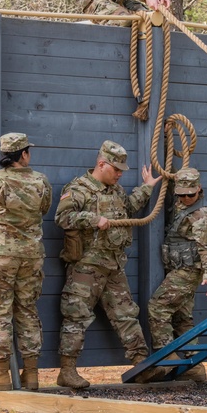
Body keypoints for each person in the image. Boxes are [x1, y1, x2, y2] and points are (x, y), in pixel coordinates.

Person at [53, 140, 162, 387]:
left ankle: (142, 366)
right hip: (86, 266)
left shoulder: (116, 191)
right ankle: (67, 371)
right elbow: (62, 217)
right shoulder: (79, 188)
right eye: (116, 169)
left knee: (126, 315)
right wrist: (93, 219)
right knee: (76, 315)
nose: (120, 174)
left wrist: (147, 188)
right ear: (102, 164)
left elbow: (129, 207)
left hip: (113, 266)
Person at [0, 132, 53, 392]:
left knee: (0, 313)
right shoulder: (41, 182)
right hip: (31, 256)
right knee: (27, 310)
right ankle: (32, 373)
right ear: (23, 154)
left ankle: (1, 372)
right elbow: (44, 209)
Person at [148, 167, 207, 382]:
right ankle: (194, 366)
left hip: (187, 271)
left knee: (158, 307)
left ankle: (167, 355)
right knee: (182, 317)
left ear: (199, 189)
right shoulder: (181, 203)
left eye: (191, 194)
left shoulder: (202, 216)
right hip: (178, 268)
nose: (186, 198)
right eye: (181, 194)